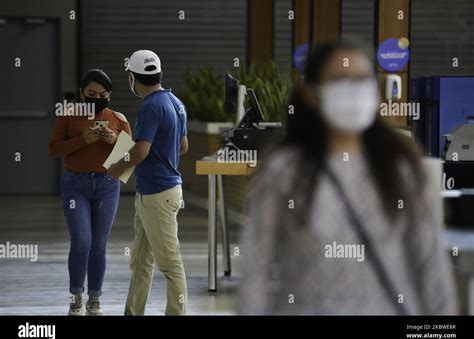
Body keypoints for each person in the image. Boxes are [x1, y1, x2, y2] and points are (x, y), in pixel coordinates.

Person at [239, 40, 457, 315]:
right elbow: (256, 268)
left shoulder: (400, 169)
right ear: (311, 94)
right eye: (341, 79)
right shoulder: (285, 171)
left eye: (362, 80)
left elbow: (431, 266)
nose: (353, 90)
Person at [107, 50, 188, 315]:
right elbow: (183, 146)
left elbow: (140, 152)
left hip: (157, 196)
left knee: (169, 263)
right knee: (140, 261)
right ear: (159, 73)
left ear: (133, 78)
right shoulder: (176, 102)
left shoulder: (151, 106)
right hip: (155, 194)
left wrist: (116, 167)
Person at [49, 69, 132, 315]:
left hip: (107, 184)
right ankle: (76, 295)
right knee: (82, 240)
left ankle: (94, 299)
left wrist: (114, 140)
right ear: (82, 93)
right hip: (76, 184)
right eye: (92, 94)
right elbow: (54, 149)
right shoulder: (67, 116)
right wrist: (82, 140)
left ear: (110, 95)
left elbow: (129, 157)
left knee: (99, 244)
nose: (98, 98)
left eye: (103, 94)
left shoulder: (118, 118)